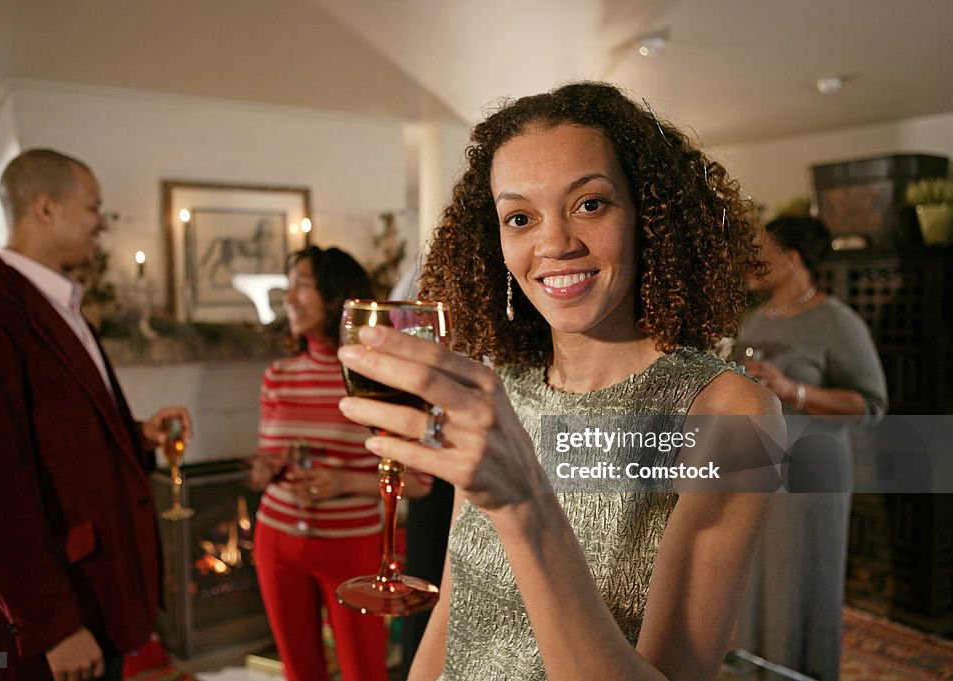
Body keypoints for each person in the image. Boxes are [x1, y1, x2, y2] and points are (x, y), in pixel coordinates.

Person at [333, 81, 785, 681]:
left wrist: (525, 503)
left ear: (649, 216)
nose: (554, 243)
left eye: (590, 204)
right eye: (519, 217)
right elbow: (453, 609)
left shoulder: (731, 415)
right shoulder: (497, 388)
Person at [0, 148, 192, 681]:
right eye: (93, 207)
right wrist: (53, 627)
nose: (103, 223)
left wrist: (136, 437)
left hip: (96, 600)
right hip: (29, 639)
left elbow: (53, 437)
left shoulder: (58, 304)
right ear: (45, 209)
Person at [250, 245, 431, 681]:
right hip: (275, 541)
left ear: (336, 296)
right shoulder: (279, 375)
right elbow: (268, 460)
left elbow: (422, 481)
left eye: (302, 286)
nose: (288, 298)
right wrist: (263, 470)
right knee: (299, 672)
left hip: (351, 548)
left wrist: (345, 481)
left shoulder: (378, 376)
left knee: (363, 672)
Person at [735, 216, 887, 681]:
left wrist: (792, 389)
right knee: (753, 586)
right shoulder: (755, 319)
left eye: (762, 249)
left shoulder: (837, 321)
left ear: (793, 256)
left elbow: (871, 404)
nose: (751, 260)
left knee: (801, 584)